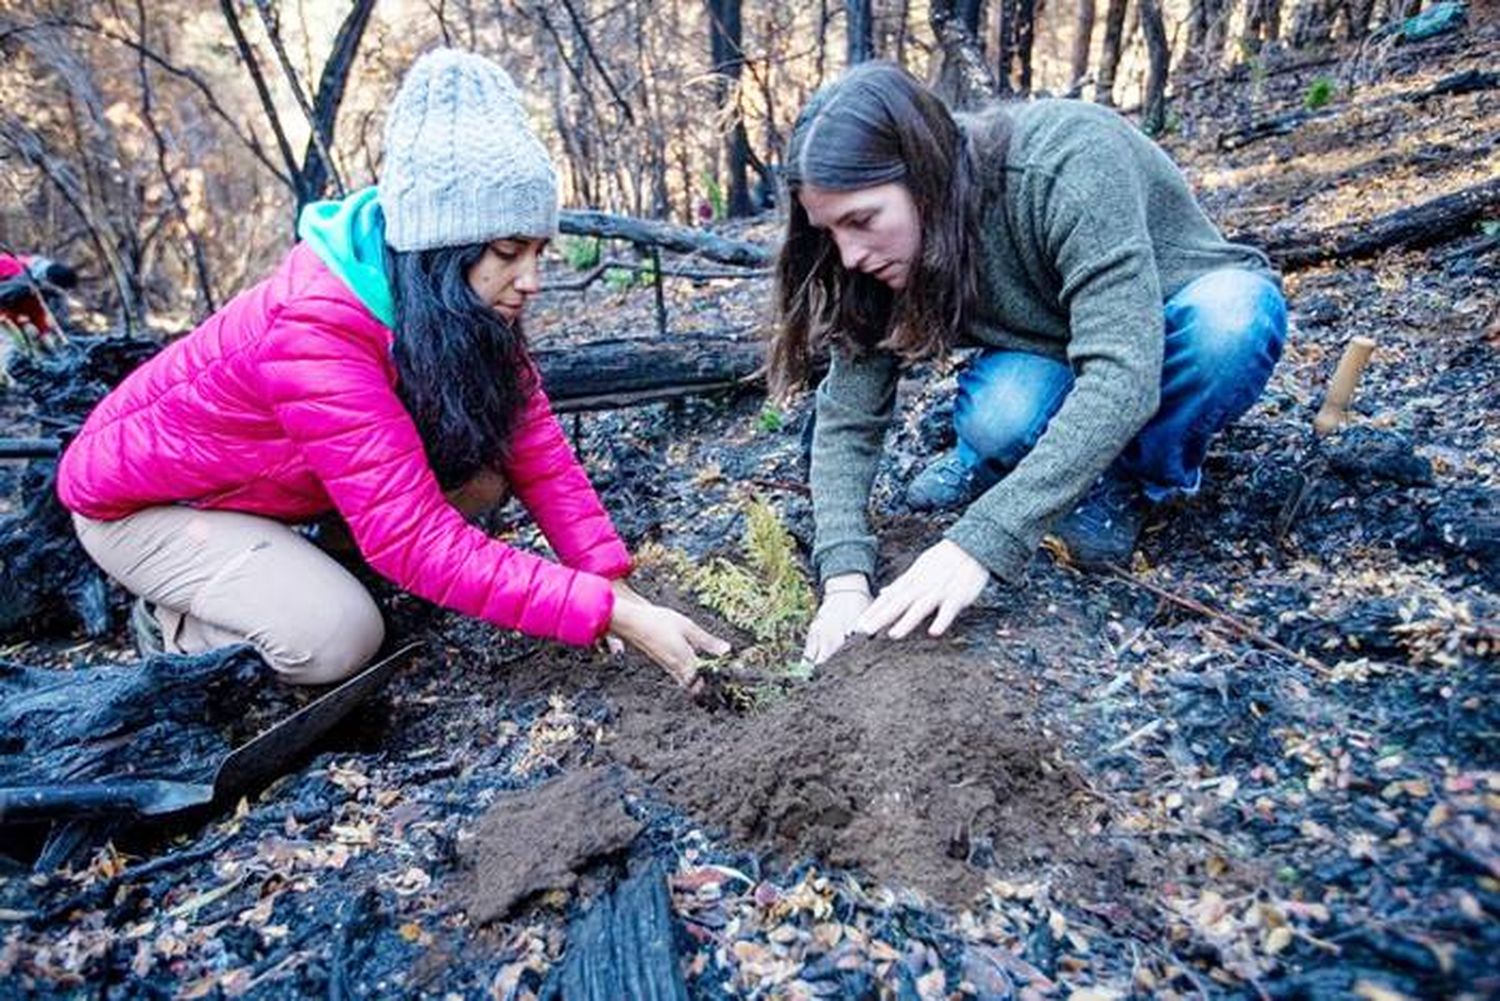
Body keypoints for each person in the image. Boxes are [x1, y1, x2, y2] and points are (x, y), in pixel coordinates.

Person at [56, 50, 728, 687]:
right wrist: (603, 614)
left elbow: (535, 444)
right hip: (149, 507)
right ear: (440, 247)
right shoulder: (315, 331)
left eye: (539, 252)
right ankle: (176, 624)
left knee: (480, 477)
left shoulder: (455, 301)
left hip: (259, 491)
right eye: (507, 250)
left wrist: (606, 576)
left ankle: (298, 565)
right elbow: (410, 537)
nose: (530, 279)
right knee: (336, 637)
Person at [771, 62, 1287, 665]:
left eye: (862, 220)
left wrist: (979, 542)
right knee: (1001, 418)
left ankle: (1131, 481)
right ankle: (990, 463)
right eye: (830, 231)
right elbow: (848, 418)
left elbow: (1123, 371)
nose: (851, 254)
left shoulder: (1067, 163)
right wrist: (844, 580)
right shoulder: (871, 252)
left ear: (927, 174)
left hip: (1164, 325)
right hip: (1048, 350)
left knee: (1234, 320)